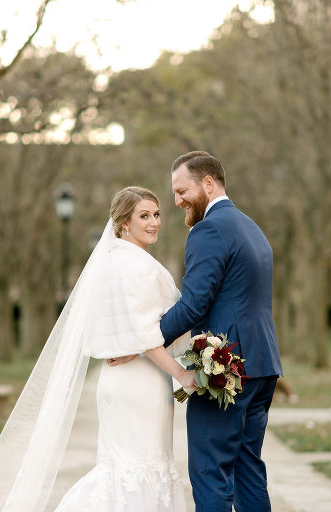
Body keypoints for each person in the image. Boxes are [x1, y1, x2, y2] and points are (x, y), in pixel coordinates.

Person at [0, 186, 196, 512]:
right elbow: (147, 336)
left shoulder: (109, 264)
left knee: (121, 469)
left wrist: (136, 345)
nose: (154, 222)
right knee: (141, 469)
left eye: (157, 214)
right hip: (141, 383)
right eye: (144, 216)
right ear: (124, 223)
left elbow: (128, 331)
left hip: (117, 381)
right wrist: (182, 374)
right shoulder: (139, 266)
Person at [116, 151, 283, 511]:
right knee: (248, 468)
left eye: (181, 190)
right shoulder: (250, 226)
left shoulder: (209, 229)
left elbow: (194, 305)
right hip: (263, 367)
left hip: (226, 372)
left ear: (208, 183)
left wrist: (144, 339)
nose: (176, 202)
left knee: (211, 473)